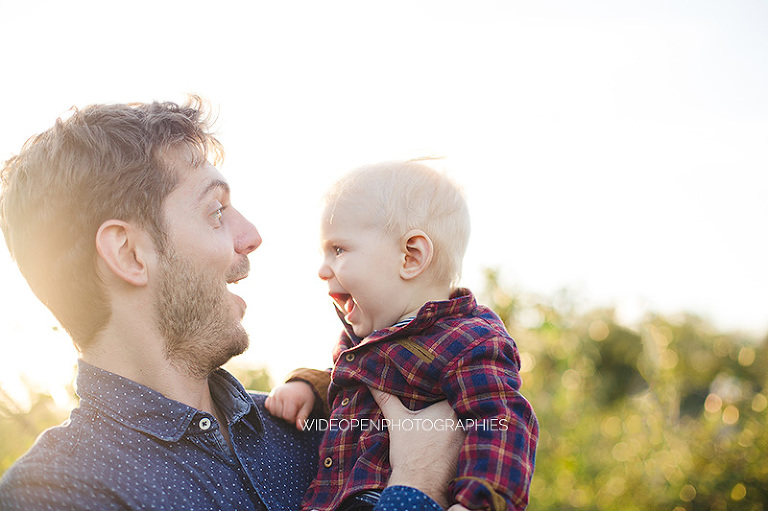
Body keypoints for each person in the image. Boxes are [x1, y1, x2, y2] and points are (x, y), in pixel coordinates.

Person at [0, 98, 464, 510]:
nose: (252, 236)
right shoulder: (56, 492)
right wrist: (416, 488)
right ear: (129, 253)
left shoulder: (319, 430)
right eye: (216, 211)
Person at [265, 160, 539, 511]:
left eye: (338, 250)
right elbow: (349, 391)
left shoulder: (468, 342)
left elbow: (501, 421)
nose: (322, 269)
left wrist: (476, 503)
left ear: (410, 257)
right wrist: (308, 386)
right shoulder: (361, 342)